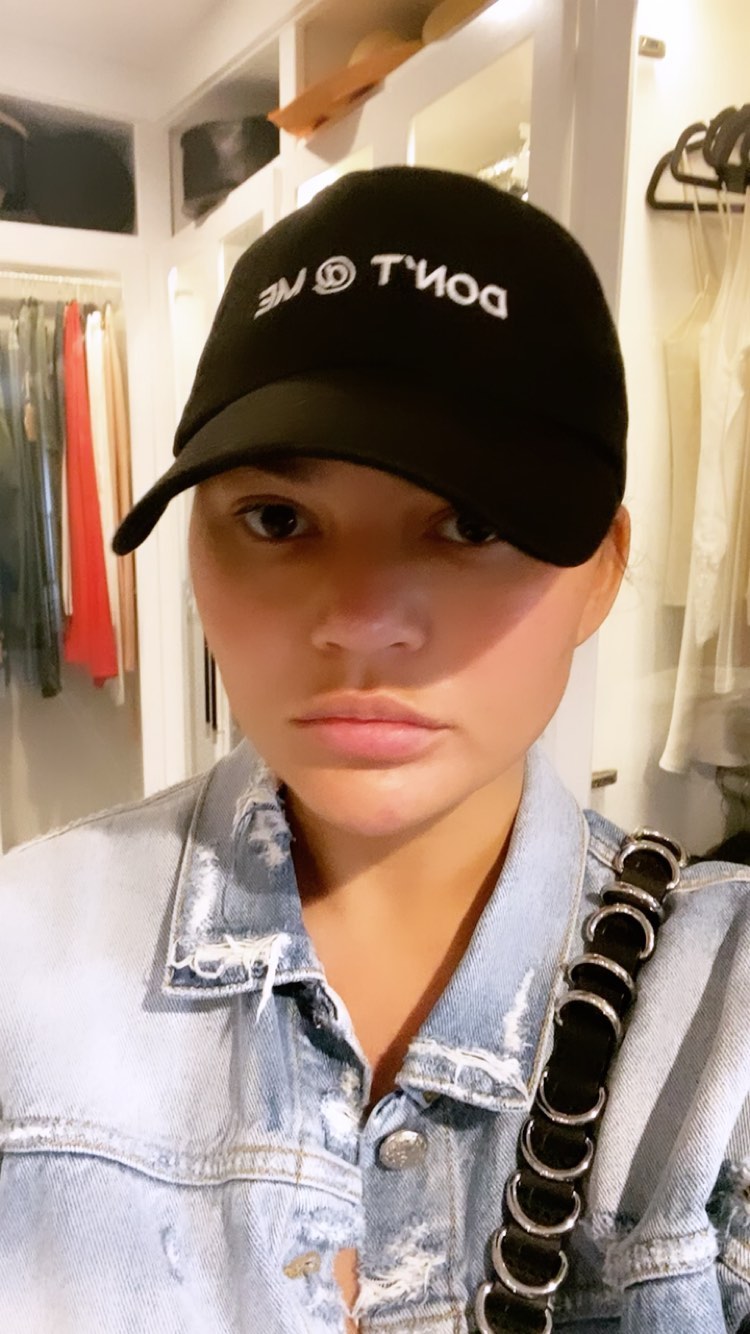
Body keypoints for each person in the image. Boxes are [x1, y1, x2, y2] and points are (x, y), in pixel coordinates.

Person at [0, 166, 748, 1334]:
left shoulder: (721, 1024)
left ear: (602, 568)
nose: (359, 617)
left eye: (470, 522)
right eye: (278, 519)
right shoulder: (26, 959)